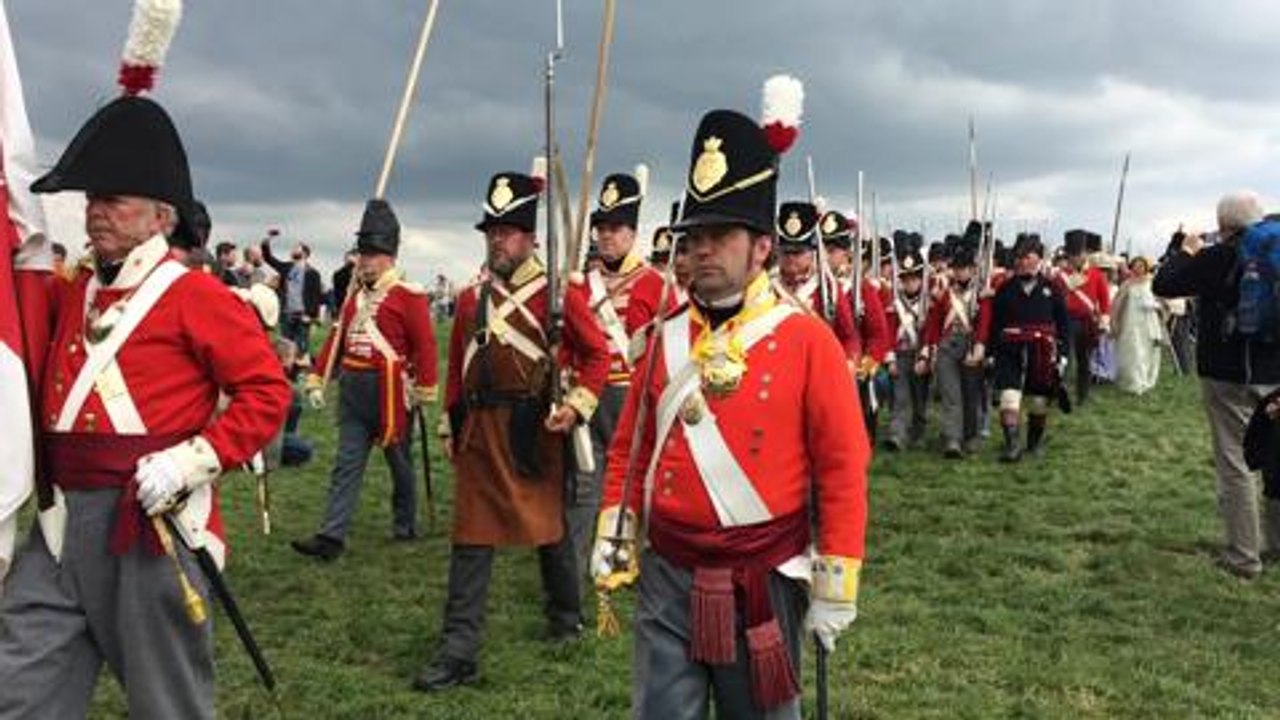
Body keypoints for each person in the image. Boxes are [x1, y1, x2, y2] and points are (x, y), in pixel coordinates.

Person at [0, 95, 290, 719]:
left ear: (161, 216)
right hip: (58, 524)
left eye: (114, 199)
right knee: (21, 692)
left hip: (149, 526)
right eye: (92, 199)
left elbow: (268, 393)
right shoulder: (76, 288)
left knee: (167, 706)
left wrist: (194, 460)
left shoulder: (198, 296)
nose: (95, 212)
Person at [593, 108, 868, 720]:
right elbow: (630, 447)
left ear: (762, 247)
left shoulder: (808, 339)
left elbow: (843, 469)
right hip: (668, 570)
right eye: (695, 237)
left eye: (721, 235)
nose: (703, 251)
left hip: (763, 578)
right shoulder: (663, 337)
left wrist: (835, 579)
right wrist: (616, 525)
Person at [414, 171, 609, 692]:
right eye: (491, 231)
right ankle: (458, 652)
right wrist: (449, 424)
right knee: (470, 541)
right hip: (482, 430)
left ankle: (566, 617)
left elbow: (597, 356)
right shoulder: (472, 300)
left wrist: (577, 406)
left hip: (535, 431)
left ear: (530, 238)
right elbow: (459, 367)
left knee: (551, 531)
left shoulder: (556, 296)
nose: (497, 240)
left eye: (507, 231)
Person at [292, 199, 437, 560]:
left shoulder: (408, 296)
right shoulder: (354, 298)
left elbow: (426, 346)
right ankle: (332, 536)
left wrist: (423, 388)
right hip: (354, 389)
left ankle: (405, 524)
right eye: (362, 254)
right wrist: (316, 378)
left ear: (389, 256)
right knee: (347, 463)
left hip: (390, 391)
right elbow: (337, 340)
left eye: (372, 254)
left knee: (400, 464)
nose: (365, 260)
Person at [1154, 191, 1280, 579]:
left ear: (1223, 225)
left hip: (1227, 374)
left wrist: (1188, 250)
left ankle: (1244, 557)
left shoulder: (1217, 256)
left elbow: (1165, 283)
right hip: (1274, 372)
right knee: (1276, 459)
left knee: (1236, 461)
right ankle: (1277, 546)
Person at [570, 170, 666, 580]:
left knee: (629, 480)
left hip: (632, 394)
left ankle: (623, 556)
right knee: (585, 483)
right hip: (588, 393)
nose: (607, 236)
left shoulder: (654, 284)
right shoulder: (579, 285)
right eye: (601, 228)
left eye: (616, 228)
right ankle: (573, 568)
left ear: (632, 232)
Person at [987, 232, 1070, 463]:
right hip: (1009, 351)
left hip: (1042, 353)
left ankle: (1034, 444)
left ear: (1039, 259)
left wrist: (1063, 356)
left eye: (1029, 256)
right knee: (1009, 398)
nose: (1023, 261)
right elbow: (996, 325)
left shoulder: (1052, 289)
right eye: (1020, 257)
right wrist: (991, 353)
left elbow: (1063, 326)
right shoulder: (1005, 289)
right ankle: (1012, 446)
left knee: (1038, 402)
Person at [920, 235, 989, 457]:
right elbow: (934, 323)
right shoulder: (945, 295)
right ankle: (952, 439)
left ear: (972, 270)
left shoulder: (981, 294)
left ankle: (971, 436)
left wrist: (979, 345)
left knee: (971, 395)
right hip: (948, 347)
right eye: (957, 269)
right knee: (951, 395)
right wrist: (930, 349)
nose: (960, 273)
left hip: (970, 347)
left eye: (964, 269)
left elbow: (985, 321)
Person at [1058, 229, 1111, 406]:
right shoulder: (1060, 275)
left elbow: (1104, 300)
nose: (1076, 258)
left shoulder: (1096, 274)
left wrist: (1104, 319)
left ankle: (1083, 395)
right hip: (1066, 320)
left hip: (1087, 322)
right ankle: (1061, 392)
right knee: (1066, 358)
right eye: (1073, 254)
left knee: (1084, 360)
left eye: (1079, 254)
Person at [885, 249, 930, 452]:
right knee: (900, 396)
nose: (910, 283)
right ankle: (897, 434)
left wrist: (924, 357)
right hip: (901, 354)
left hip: (920, 355)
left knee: (920, 397)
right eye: (906, 279)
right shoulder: (894, 304)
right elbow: (888, 332)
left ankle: (918, 432)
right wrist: (891, 359)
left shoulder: (929, 304)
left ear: (921, 279)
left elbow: (931, 333)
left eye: (914, 279)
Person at [262, 232, 322, 355]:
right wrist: (267, 240)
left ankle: (299, 372)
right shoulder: (286, 268)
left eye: (296, 248)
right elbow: (269, 258)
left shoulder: (313, 273)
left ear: (304, 253)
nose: (293, 250)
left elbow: (316, 297)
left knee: (301, 347)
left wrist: (311, 316)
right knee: (285, 347)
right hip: (287, 314)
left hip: (303, 316)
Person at [1111, 256, 1164, 395]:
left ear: (1146, 267)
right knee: (1134, 350)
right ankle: (1135, 381)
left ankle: (1145, 378)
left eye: (1141, 265)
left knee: (1147, 350)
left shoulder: (1152, 282)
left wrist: (1157, 306)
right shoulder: (1127, 284)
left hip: (1148, 321)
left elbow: (1162, 300)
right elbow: (1118, 303)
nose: (1138, 268)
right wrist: (1115, 320)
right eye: (1136, 265)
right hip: (1131, 321)